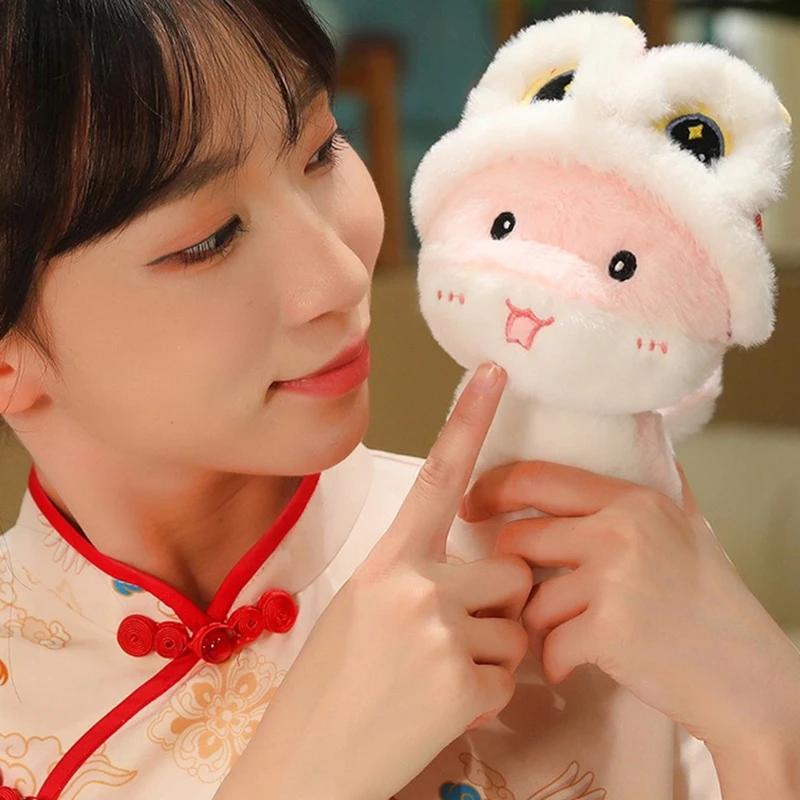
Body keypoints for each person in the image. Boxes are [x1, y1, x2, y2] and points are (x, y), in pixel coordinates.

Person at [0, 2, 797, 799]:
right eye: (209, 239)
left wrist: (768, 710)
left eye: (321, 150)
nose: (342, 275)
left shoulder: (587, 563)